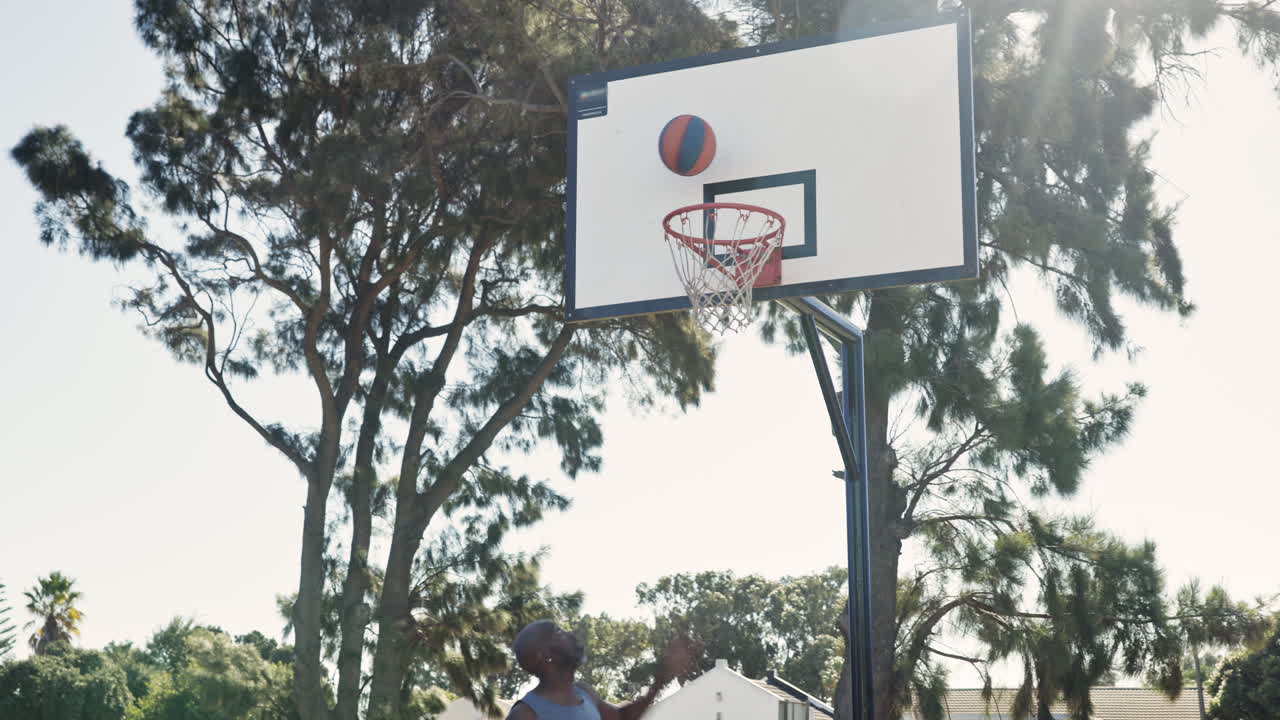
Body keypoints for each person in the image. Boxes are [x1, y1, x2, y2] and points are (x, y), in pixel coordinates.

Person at [505, 619, 688, 720]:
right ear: (545, 656)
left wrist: (660, 679)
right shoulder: (525, 715)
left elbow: (622, 719)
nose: (570, 634)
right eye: (559, 633)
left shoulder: (584, 693)